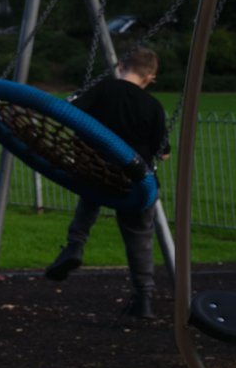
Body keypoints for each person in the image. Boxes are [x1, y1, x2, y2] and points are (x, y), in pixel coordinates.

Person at [43, 44, 168, 319]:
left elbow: (69, 112)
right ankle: (143, 297)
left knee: (91, 193)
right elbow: (164, 150)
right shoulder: (153, 106)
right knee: (139, 237)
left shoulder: (103, 89)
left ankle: (75, 244)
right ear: (150, 78)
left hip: (97, 172)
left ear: (120, 67)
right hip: (135, 181)